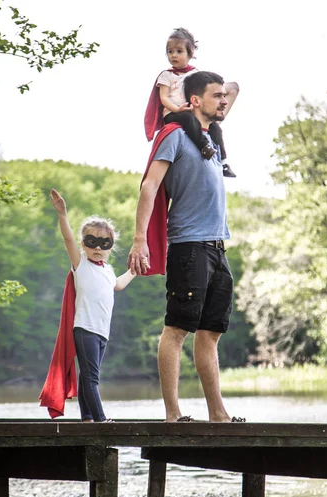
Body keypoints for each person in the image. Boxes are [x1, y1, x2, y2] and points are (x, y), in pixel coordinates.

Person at [129, 70, 245, 424]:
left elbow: (233, 91)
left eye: (223, 96)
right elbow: (149, 187)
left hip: (217, 247)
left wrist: (217, 88)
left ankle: (218, 414)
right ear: (195, 101)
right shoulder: (176, 136)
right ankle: (173, 414)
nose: (223, 100)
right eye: (215, 96)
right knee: (177, 329)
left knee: (210, 333)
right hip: (188, 246)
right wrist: (139, 240)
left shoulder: (210, 138)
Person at [40, 189, 135, 422]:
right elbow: (68, 239)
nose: (98, 248)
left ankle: (87, 418)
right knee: (92, 377)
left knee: (87, 377)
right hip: (85, 328)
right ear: (84, 244)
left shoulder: (108, 270)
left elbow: (119, 285)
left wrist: (135, 269)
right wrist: (62, 215)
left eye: (104, 243)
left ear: (111, 246)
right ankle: (101, 420)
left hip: (102, 332)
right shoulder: (81, 264)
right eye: (92, 242)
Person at [144, 27, 239, 177]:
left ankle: (223, 162)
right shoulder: (166, 75)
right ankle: (204, 146)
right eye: (170, 51)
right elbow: (164, 97)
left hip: (190, 110)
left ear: (190, 52)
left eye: (179, 51)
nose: (174, 55)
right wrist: (176, 109)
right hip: (173, 113)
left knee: (215, 128)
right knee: (188, 119)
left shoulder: (195, 73)